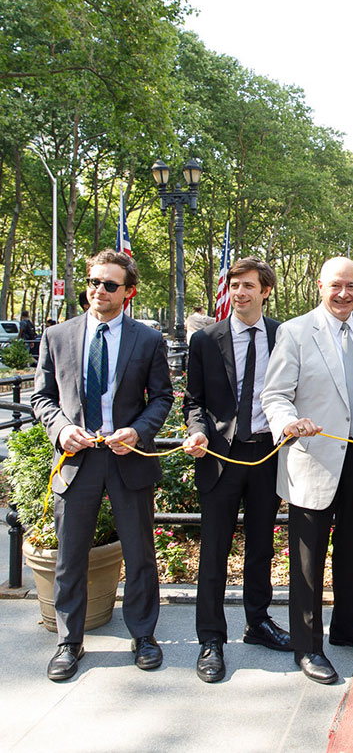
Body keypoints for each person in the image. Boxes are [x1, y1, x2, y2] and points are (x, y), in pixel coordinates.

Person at [31, 249, 173, 681]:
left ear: (127, 293)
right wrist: (60, 429)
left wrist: (137, 431)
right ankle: (68, 642)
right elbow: (41, 398)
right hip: (76, 461)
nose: (98, 291)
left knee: (140, 554)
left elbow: (162, 398)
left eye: (109, 285)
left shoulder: (147, 340)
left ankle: (144, 636)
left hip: (127, 460)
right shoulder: (57, 336)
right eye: (93, 282)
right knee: (70, 556)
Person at [261, 256, 353, 685]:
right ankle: (308, 646)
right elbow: (275, 394)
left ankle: (351, 627)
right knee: (307, 559)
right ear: (320, 286)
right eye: (336, 285)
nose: (344, 294)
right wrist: (288, 423)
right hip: (313, 456)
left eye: (352, 286)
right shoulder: (295, 332)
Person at [182, 258, 289, 683]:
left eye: (248, 286)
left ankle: (258, 623)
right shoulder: (206, 340)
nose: (239, 293)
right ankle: (211, 639)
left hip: (267, 455)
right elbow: (194, 400)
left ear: (266, 291)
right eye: (234, 285)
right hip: (220, 458)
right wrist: (197, 432)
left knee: (261, 546)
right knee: (213, 552)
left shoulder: (285, 336)